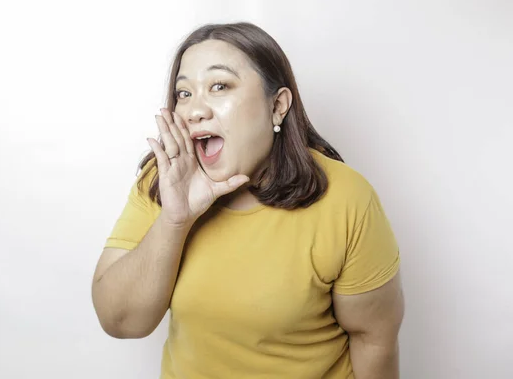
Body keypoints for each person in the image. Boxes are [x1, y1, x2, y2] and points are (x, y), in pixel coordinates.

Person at [92, 22, 404, 379]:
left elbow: (373, 338)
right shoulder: (164, 181)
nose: (194, 111)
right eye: (184, 93)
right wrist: (175, 219)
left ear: (278, 106)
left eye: (219, 86)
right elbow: (120, 322)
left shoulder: (345, 197)